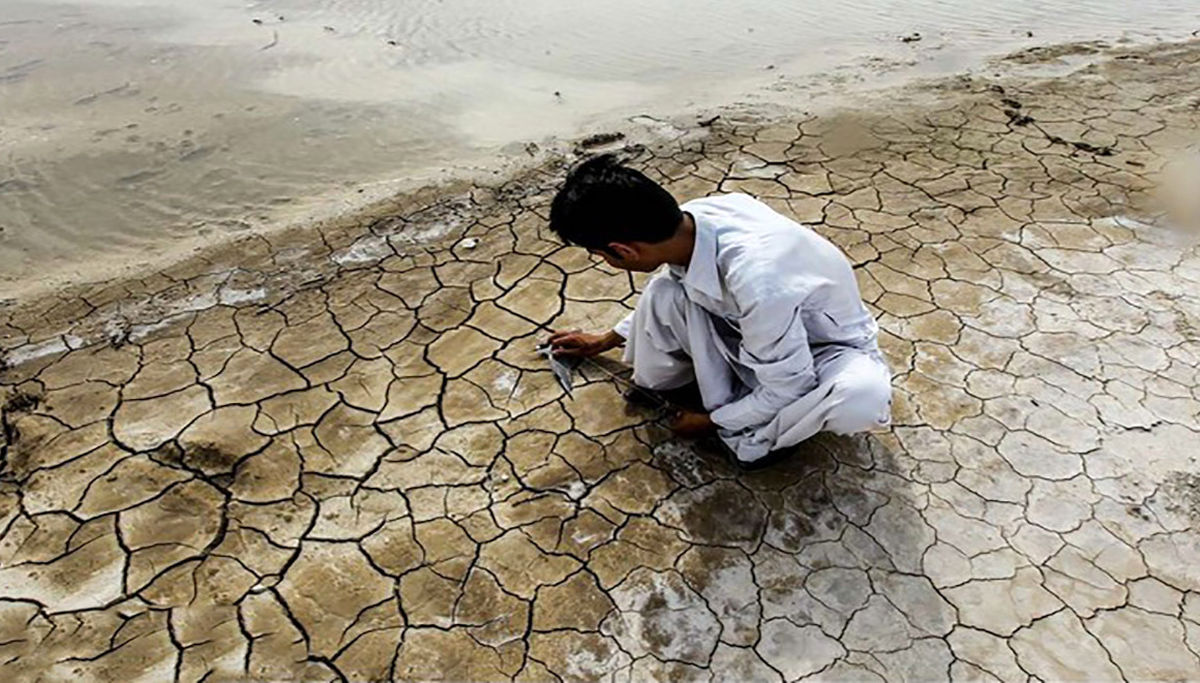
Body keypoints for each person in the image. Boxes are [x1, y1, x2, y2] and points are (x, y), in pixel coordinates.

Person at [547, 154, 892, 466]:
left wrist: (711, 421)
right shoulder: (691, 220)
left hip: (825, 350)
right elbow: (681, 282)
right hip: (753, 329)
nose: (606, 263)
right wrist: (604, 341)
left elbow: (791, 386)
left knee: (858, 399)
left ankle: (770, 432)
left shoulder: (759, 278)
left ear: (624, 250)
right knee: (666, 291)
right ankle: (733, 396)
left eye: (602, 256)